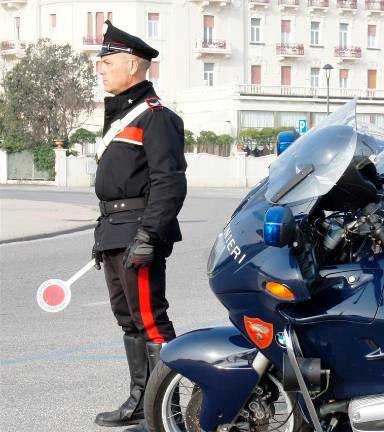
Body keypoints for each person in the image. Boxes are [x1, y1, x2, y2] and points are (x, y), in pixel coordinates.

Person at [90, 20, 187, 431]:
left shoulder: (156, 117)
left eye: (107, 61)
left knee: (151, 320)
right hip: (115, 229)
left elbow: (170, 181)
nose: (101, 68)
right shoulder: (124, 115)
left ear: (133, 65)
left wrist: (149, 235)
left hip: (138, 232)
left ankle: (166, 408)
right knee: (128, 320)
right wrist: (102, 235)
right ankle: (139, 401)